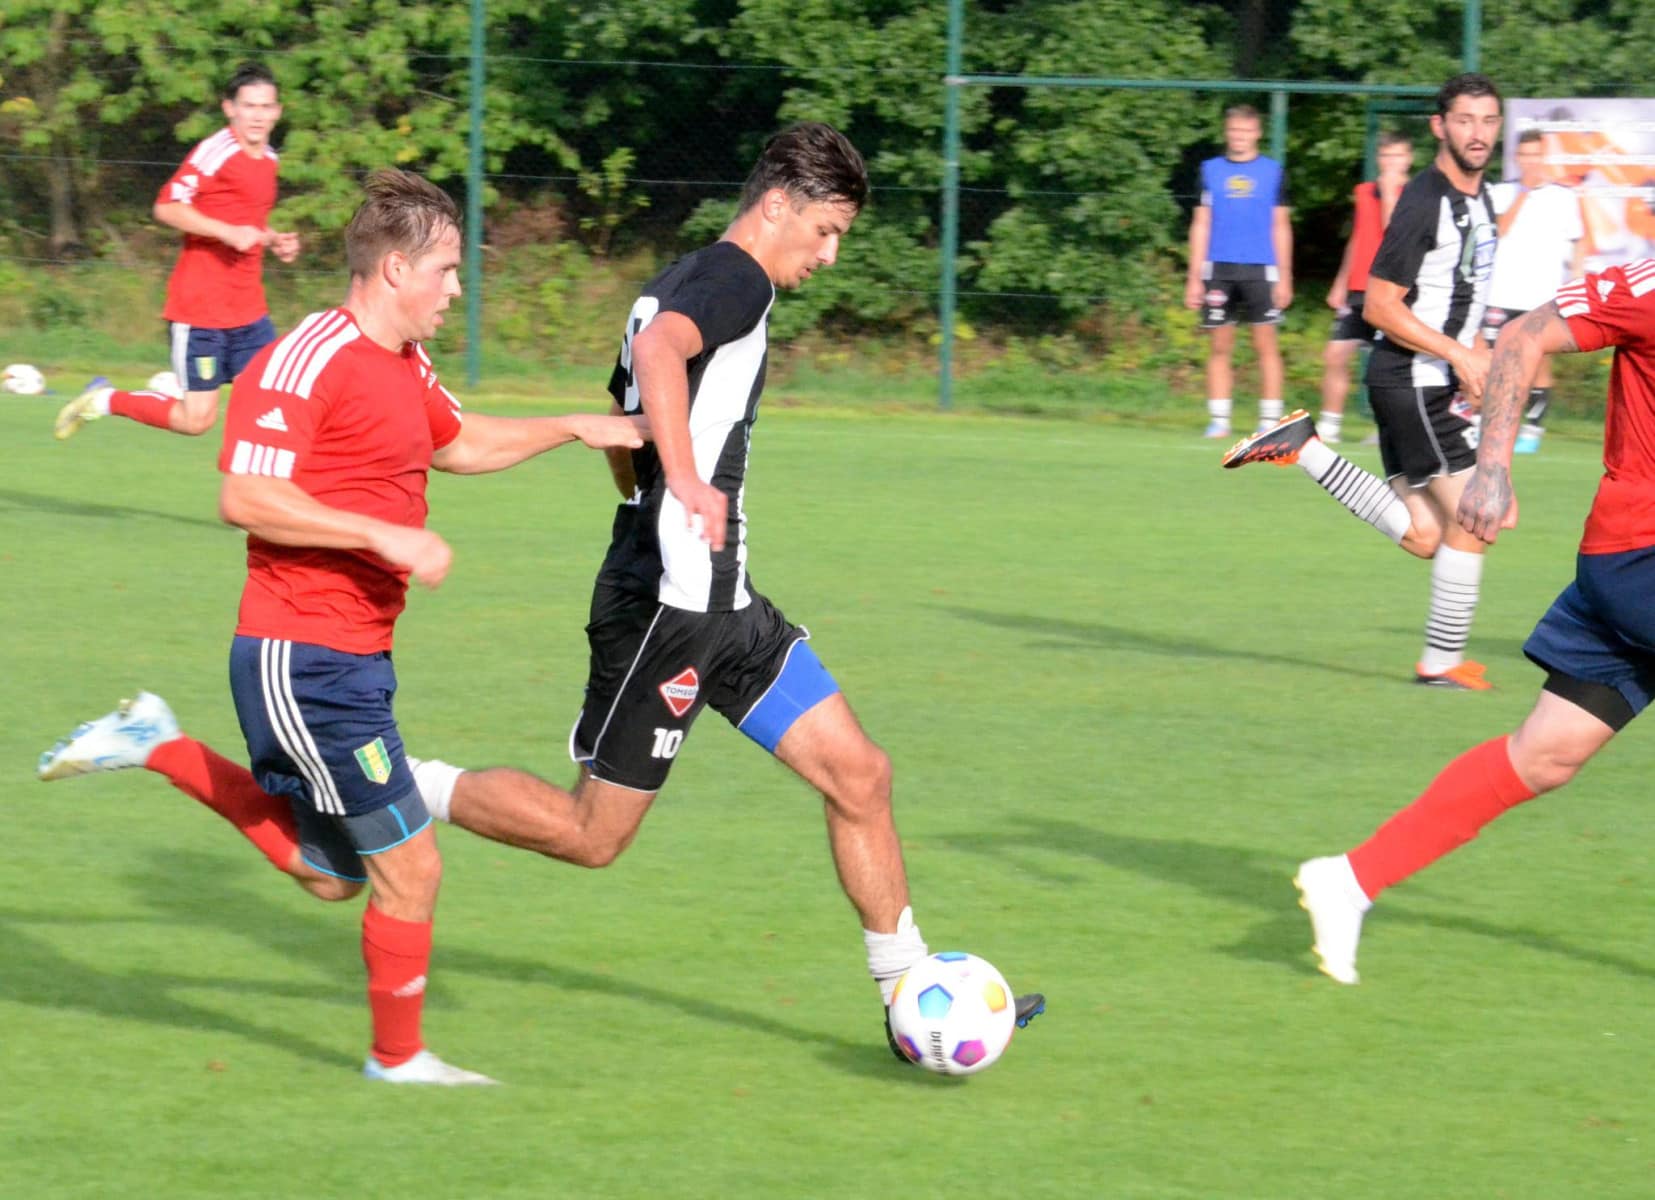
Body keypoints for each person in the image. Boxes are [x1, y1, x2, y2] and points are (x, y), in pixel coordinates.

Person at [388, 123, 1041, 1055]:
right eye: (825, 231)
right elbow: (659, 355)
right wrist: (688, 486)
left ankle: (906, 987)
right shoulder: (736, 280)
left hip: (721, 601)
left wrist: (654, 489)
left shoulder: (682, 275)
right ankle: (394, 785)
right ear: (775, 205)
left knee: (859, 774)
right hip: (671, 605)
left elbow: (623, 422)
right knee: (591, 834)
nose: (829, 255)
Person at [37, 168, 646, 1084]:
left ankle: (160, 744)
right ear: (395, 268)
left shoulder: (404, 363)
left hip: (355, 652)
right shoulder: (304, 357)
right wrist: (380, 533)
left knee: (332, 874)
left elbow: (456, 442)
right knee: (412, 868)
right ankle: (397, 1062)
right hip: (301, 655)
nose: (455, 288)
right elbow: (245, 496)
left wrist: (570, 426)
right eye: (445, 270)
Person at [1294, 254, 1655, 984]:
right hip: (1638, 552)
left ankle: (1351, 879)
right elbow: (1522, 335)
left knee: (1546, 754)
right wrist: (1490, 468)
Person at [1222, 73, 1502, 691]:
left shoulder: (1485, 200)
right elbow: (1378, 306)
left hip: (1431, 382)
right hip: (1413, 380)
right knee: (1481, 515)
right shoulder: (1424, 202)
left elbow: (1468, 297)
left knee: (1426, 536)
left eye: (1488, 120)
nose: (1477, 132)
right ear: (1439, 126)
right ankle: (1440, 663)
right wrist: (1458, 355)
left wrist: (1473, 361)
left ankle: (1305, 449)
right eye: (1464, 120)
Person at [54, 62, 301, 442]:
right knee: (196, 421)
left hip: (250, 312)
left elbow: (245, 221)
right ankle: (104, 399)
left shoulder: (269, 159)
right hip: (200, 312)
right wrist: (226, 233)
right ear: (230, 109)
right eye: (249, 106)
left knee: (272, 407)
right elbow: (167, 207)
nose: (257, 115)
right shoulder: (215, 152)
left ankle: (260, 481)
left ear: (277, 112)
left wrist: (274, 240)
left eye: (265, 107)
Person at [1185, 103, 1294, 439]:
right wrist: (1194, 277)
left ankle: (1270, 421)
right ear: (1226, 132)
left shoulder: (1273, 172)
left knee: (1266, 346)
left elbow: (1281, 225)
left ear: (1257, 133)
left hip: (1262, 269)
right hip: (1219, 268)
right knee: (1220, 346)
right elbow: (1201, 223)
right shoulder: (1209, 170)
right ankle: (1220, 420)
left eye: (1246, 131)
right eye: (1234, 130)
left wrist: (1285, 275)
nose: (1239, 137)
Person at [1482, 129, 1586, 454]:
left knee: (1538, 362)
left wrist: (1576, 280)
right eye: (1524, 155)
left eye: (1535, 155)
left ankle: (1532, 427)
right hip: (1501, 293)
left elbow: (1579, 241)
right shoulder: (1501, 192)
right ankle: (1486, 423)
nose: (1530, 161)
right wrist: (1523, 193)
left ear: (1544, 157)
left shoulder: (1564, 197)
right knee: (1490, 360)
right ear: (1517, 157)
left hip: (1541, 295)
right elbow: (1499, 230)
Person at [1317, 131, 1413, 445]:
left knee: (1387, 366)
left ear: (1408, 159)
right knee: (1335, 355)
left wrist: (1388, 194)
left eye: (1397, 156)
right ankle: (1330, 424)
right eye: (1386, 156)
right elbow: (1358, 238)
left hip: (1390, 291)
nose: (1391, 162)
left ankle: (1387, 428)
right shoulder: (1363, 192)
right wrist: (1340, 282)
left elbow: (1394, 233)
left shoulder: (1414, 194)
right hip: (1358, 290)